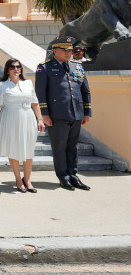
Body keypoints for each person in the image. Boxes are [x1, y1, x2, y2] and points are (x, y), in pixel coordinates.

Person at [36, 37, 92, 191]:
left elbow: (85, 90)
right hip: (57, 114)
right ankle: (63, 177)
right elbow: (40, 93)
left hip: (76, 113)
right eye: (64, 50)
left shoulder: (77, 66)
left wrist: (87, 112)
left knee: (72, 147)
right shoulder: (45, 67)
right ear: (55, 51)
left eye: (70, 50)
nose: (68, 53)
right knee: (59, 147)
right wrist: (45, 114)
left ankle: (73, 175)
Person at [0, 58, 45, 193]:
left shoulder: (28, 83)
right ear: (7, 70)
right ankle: (18, 179)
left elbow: (35, 103)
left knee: (29, 148)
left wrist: (40, 119)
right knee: (14, 148)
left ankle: (27, 179)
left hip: (28, 117)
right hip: (10, 117)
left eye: (18, 66)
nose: (16, 69)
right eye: (12, 67)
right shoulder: (0, 84)